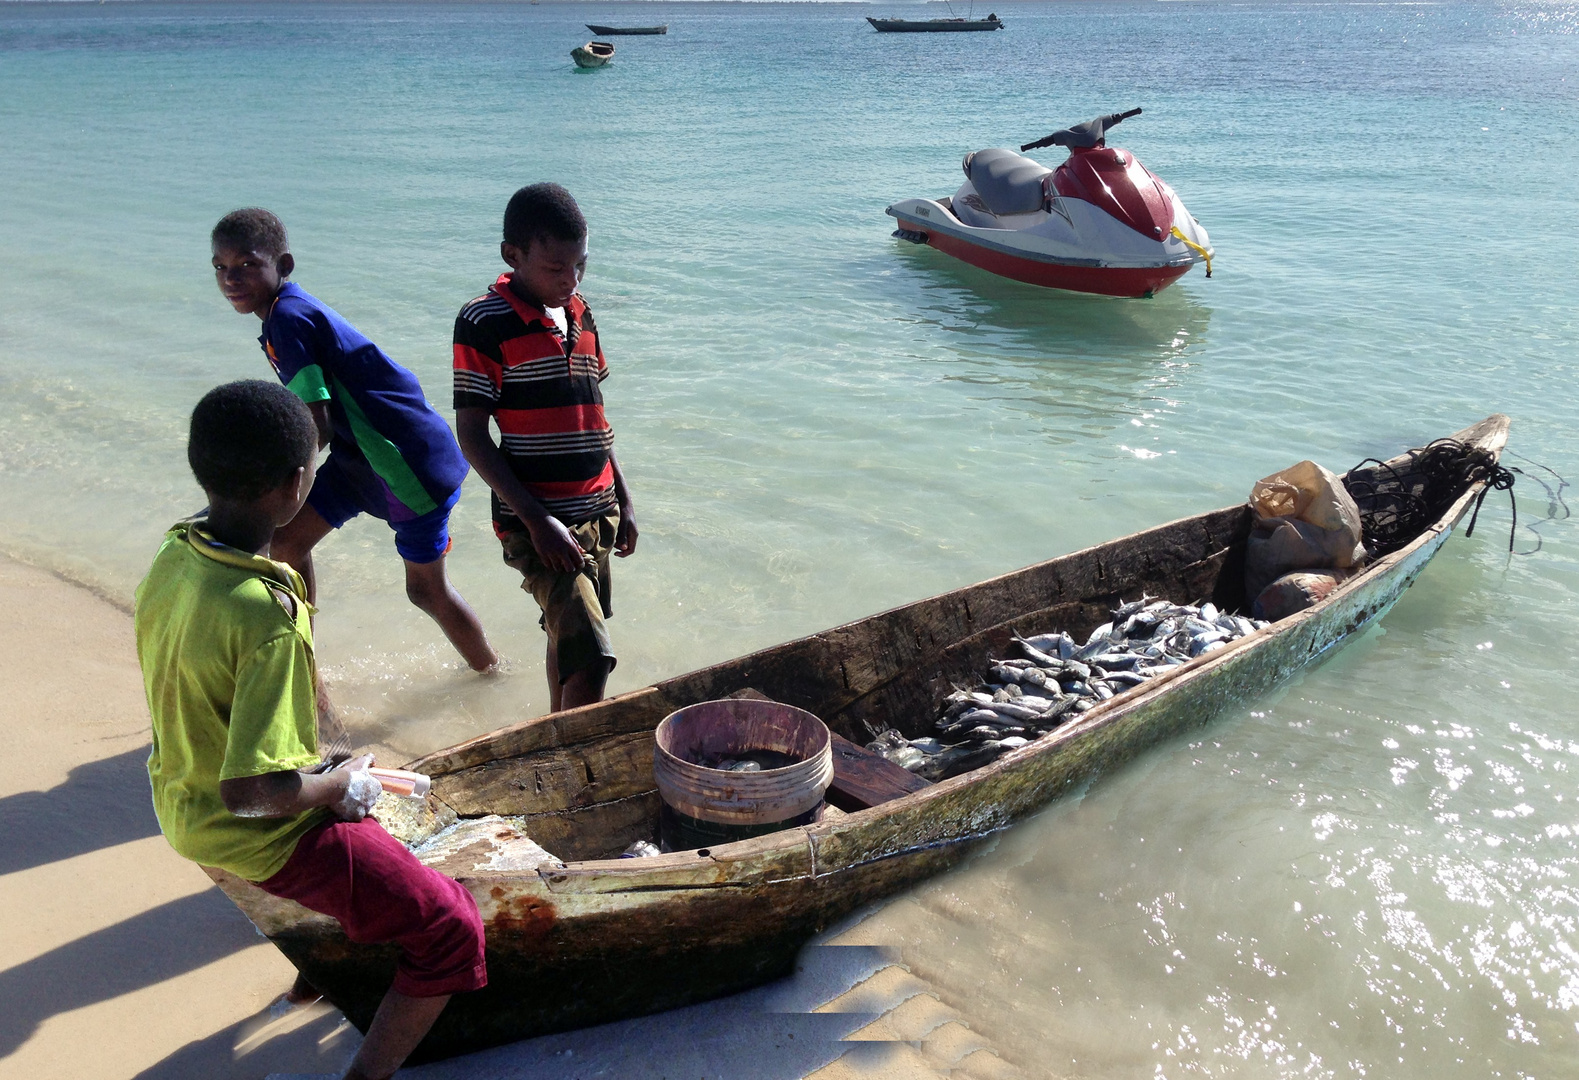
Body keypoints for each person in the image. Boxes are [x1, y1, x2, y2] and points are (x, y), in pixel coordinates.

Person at [135, 381, 487, 1080]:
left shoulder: (178, 554)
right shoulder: (266, 615)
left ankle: (314, 978)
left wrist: (327, 770)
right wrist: (332, 787)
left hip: (177, 800)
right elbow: (252, 793)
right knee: (452, 930)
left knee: (361, 828)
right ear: (298, 483)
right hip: (248, 824)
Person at [211, 208, 498, 672]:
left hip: (405, 464)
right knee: (285, 542)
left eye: (246, 264)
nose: (231, 278)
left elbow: (315, 422)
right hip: (358, 460)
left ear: (283, 266)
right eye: (220, 268)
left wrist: (274, 488)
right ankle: (302, 662)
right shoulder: (285, 313)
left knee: (425, 590)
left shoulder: (288, 319)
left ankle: (490, 673)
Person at [453, 183, 637, 711]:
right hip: (538, 521)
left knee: (568, 637)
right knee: (593, 655)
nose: (570, 279)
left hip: (596, 510)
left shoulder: (581, 314)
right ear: (512, 255)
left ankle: (552, 746)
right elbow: (472, 437)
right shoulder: (484, 321)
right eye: (556, 268)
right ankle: (576, 764)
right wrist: (536, 521)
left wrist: (624, 501)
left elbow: (595, 417)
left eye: (580, 265)